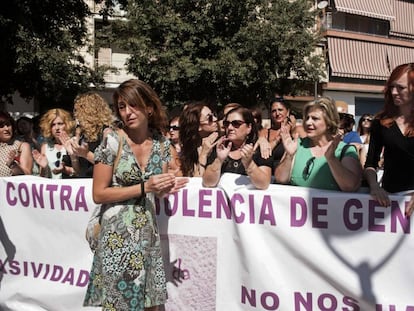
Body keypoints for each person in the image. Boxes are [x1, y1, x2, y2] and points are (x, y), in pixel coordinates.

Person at [83, 79, 188, 311]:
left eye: (133, 105)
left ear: (149, 107)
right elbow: (99, 194)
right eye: (122, 107)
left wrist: (165, 187)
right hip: (116, 236)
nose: (127, 112)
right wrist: (145, 188)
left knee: (153, 306)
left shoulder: (162, 144)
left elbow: (157, 189)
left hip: (147, 234)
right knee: (120, 305)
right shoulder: (111, 141)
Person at [274, 97, 362, 192]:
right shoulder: (297, 145)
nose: (308, 122)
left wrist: (331, 159)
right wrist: (289, 156)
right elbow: (280, 179)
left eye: (315, 118)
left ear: (329, 122)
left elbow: (350, 186)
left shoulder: (345, 150)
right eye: (307, 118)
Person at [364, 63, 414, 217]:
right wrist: (374, 187)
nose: (394, 92)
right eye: (391, 87)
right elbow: (370, 163)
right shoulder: (380, 122)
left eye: (401, 88)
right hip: (390, 200)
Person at [202, 106, 272, 190]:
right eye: (226, 124)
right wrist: (219, 160)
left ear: (249, 127)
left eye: (236, 124)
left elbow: (263, 184)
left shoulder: (260, 148)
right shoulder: (220, 147)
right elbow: (208, 183)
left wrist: (249, 165)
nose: (230, 128)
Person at [68, 92, 114, 178]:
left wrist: (86, 154)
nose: (76, 115)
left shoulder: (106, 132)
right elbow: (78, 171)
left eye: (78, 111)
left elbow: (109, 165)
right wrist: (73, 156)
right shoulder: (82, 135)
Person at [33, 108, 79, 179]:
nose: (57, 128)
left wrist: (65, 169)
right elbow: (42, 177)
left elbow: (79, 172)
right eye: (53, 125)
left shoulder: (75, 142)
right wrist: (45, 167)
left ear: (67, 124)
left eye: (60, 124)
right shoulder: (45, 147)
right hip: (51, 188)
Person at [179, 101, 219, 176]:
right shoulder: (190, 149)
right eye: (209, 118)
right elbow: (195, 180)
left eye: (214, 114)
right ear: (198, 126)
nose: (215, 119)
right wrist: (203, 154)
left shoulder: (221, 143)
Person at [0, 111, 33, 176]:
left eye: (8, 125)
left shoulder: (21, 146)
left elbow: (27, 174)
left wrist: (13, 165)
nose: (6, 128)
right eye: (1, 126)